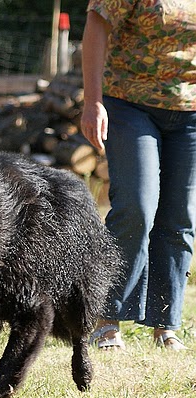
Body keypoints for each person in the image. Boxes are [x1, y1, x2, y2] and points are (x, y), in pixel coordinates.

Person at [81, 0, 196, 350]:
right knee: (137, 205)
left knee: (180, 216)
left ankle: (165, 325)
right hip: (129, 103)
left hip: (190, 112)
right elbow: (96, 27)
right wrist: (92, 101)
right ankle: (107, 319)